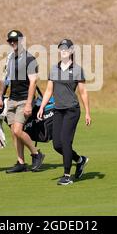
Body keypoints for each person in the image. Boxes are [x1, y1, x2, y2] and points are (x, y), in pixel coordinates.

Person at [37, 39, 91, 185]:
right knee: (57, 145)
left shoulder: (78, 69)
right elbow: (49, 90)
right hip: (58, 110)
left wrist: (87, 112)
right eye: (61, 49)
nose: (63, 51)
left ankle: (67, 176)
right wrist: (42, 107)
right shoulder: (54, 69)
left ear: (72, 51)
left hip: (72, 110)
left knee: (66, 142)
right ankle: (80, 160)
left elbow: (83, 92)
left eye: (66, 49)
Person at [0, 30, 45, 173]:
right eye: (10, 41)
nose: (12, 43)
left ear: (21, 41)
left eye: (15, 40)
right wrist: (0, 97)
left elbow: (33, 82)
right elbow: (5, 79)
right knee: (14, 132)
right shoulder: (10, 58)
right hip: (12, 99)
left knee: (18, 130)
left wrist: (29, 103)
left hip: (24, 100)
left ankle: (36, 154)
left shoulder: (30, 59)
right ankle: (21, 162)